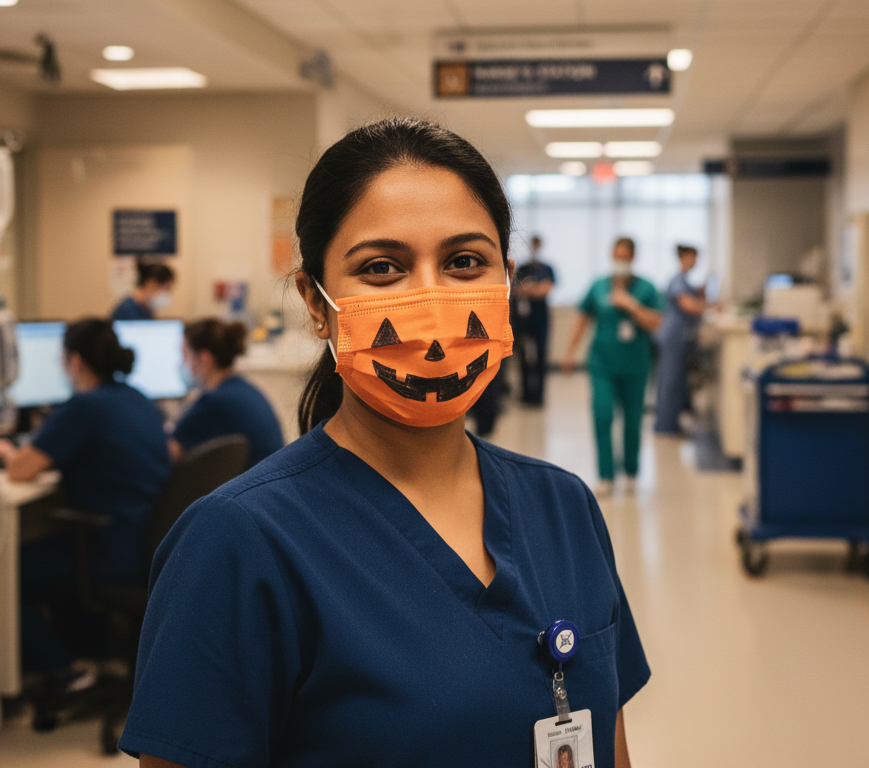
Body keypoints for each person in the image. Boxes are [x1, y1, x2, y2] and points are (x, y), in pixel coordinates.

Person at [119, 118, 648, 768]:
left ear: (504, 282)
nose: (430, 301)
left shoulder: (564, 509)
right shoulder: (238, 545)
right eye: (382, 267)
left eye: (463, 262)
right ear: (317, 303)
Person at [0, 319, 170, 674]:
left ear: (75, 361)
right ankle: (101, 653)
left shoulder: (85, 407)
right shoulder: (138, 399)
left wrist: (4, 452)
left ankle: (67, 671)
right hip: (143, 544)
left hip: (111, 552)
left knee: (4, 570)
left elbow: (21, 470)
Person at [561, 238, 662, 497]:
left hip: (635, 366)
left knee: (632, 422)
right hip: (602, 364)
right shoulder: (598, 286)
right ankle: (606, 475)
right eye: (617, 256)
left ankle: (631, 471)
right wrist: (570, 352)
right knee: (602, 415)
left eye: (625, 257)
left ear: (633, 258)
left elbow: (655, 323)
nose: (621, 262)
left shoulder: (646, 288)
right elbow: (583, 319)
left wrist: (631, 305)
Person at [170, 318, 284, 468]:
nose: (182, 363)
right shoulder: (241, 388)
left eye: (185, 355)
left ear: (204, 359)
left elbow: (170, 453)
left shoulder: (215, 401)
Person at [654, 245, 708, 436]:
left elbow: (695, 300)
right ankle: (665, 425)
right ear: (684, 257)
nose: (695, 262)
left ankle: (671, 422)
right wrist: (708, 306)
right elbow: (687, 305)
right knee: (671, 381)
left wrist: (702, 296)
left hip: (680, 336)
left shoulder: (686, 281)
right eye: (693, 257)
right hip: (673, 336)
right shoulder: (677, 280)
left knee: (677, 382)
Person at [512, 235, 556, 405]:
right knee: (523, 357)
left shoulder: (547, 268)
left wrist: (529, 289)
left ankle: (539, 396)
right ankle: (526, 394)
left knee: (540, 356)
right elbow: (514, 289)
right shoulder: (522, 267)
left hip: (541, 319)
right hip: (523, 320)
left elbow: (545, 291)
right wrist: (533, 289)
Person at [111, 261, 176, 320]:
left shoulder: (146, 310)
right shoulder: (127, 310)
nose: (168, 294)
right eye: (167, 289)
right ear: (151, 284)